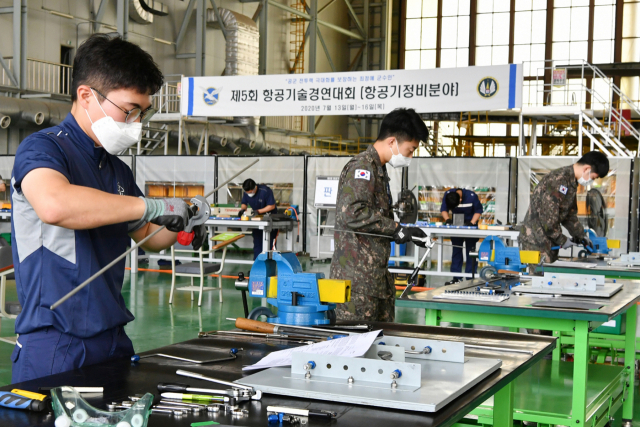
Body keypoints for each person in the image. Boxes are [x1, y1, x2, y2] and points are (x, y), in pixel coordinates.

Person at [9, 34, 206, 383]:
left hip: (113, 337)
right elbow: (54, 205)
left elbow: (149, 238)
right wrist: (153, 205)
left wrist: (183, 217)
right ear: (86, 96)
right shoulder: (42, 149)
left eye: (143, 113)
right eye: (129, 110)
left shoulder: (117, 169)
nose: (136, 123)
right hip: (56, 342)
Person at [330, 108, 429, 322]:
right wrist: (396, 229)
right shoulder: (362, 167)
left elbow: (373, 218)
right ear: (392, 141)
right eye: (410, 150)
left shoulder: (379, 171)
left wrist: (405, 231)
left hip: (376, 279)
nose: (410, 156)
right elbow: (353, 213)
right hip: (357, 284)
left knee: (382, 343)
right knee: (355, 345)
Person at [519, 151, 610, 264]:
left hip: (548, 243)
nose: (592, 181)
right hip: (536, 243)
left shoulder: (570, 183)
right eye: (593, 177)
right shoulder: (558, 180)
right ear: (586, 169)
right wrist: (562, 240)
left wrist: (581, 236)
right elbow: (548, 219)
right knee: (538, 280)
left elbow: (569, 216)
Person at [440, 188, 483, 283]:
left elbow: (478, 210)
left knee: (471, 252)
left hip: (471, 224)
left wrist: (472, 223)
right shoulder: (448, 195)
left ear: (460, 200)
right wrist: (447, 219)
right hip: (456, 225)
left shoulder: (471, 196)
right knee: (456, 251)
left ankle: (470, 277)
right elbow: (443, 209)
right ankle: (456, 277)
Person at [238, 178, 278, 259]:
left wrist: (258, 211)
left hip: (270, 220)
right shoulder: (246, 192)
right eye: (247, 192)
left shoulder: (265, 191)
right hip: (257, 220)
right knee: (257, 244)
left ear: (254, 188)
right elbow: (244, 203)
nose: (249, 194)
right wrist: (242, 209)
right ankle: (257, 267)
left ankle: (269, 266)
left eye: (250, 192)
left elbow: (272, 206)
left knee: (269, 245)